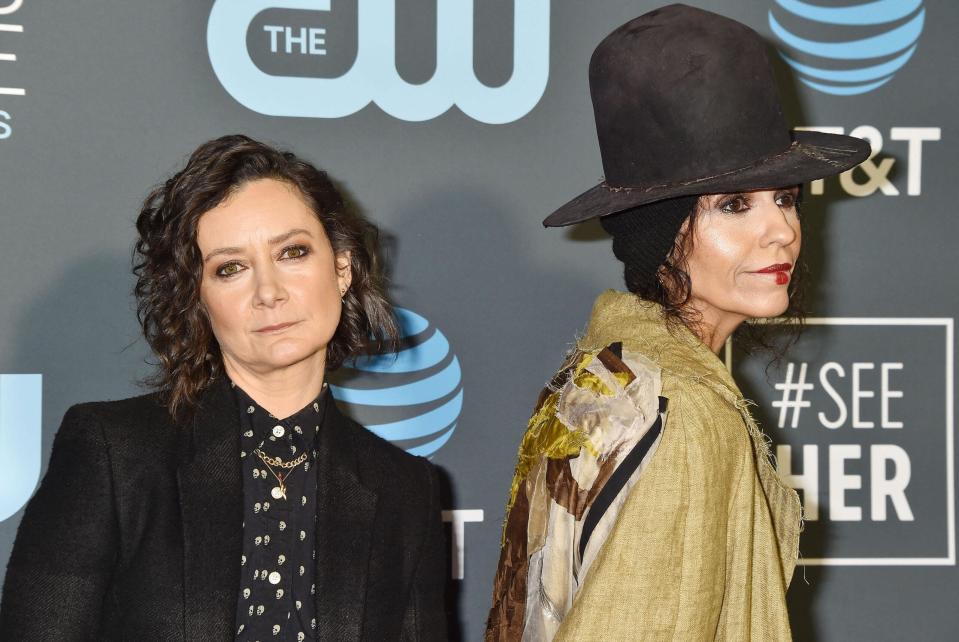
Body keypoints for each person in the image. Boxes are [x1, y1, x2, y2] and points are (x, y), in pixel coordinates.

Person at [485, 5, 870, 641]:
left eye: (786, 198)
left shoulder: (607, 373)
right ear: (658, 236)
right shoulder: (683, 413)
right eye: (734, 205)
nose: (781, 230)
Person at [0, 135, 447, 641]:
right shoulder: (114, 453)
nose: (269, 293)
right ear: (198, 298)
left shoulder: (404, 488)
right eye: (230, 268)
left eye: (292, 252)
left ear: (341, 269)